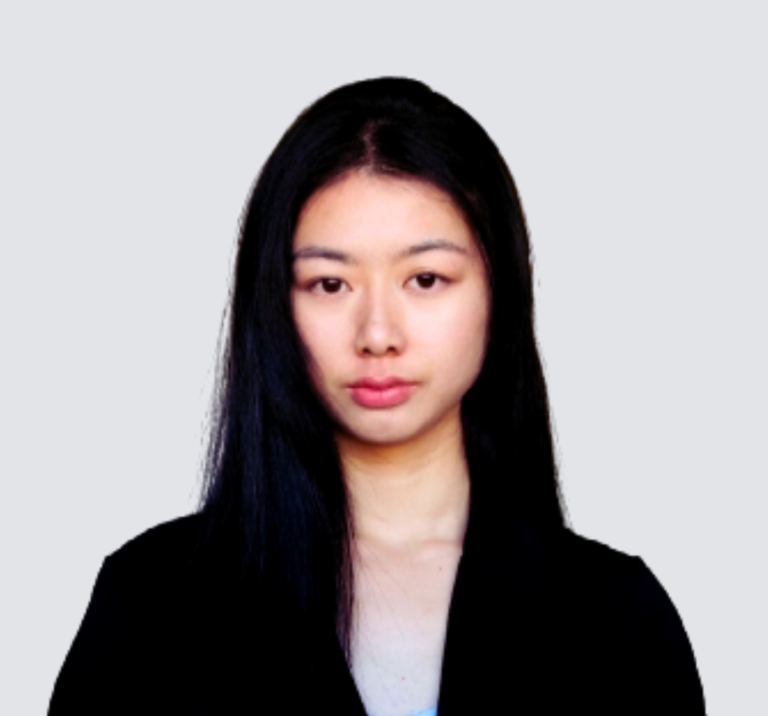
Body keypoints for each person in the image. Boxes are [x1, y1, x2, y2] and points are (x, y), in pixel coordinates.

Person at [48, 77, 706, 715]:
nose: (378, 335)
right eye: (330, 285)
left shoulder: (614, 620)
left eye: (425, 279)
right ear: (275, 304)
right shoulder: (150, 603)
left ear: (498, 290)